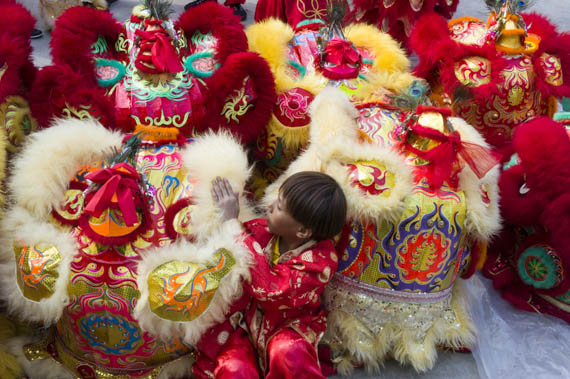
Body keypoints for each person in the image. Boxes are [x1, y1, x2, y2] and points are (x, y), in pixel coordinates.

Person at [194, 172, 347, 378]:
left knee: (288, 352)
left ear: (302, 231)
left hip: (289, 327)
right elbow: (231, 248)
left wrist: (232, 223)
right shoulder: (264, 230)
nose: (270, 205)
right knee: (234, 366)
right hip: (246, 324)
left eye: (280, 207)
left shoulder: (321, 262)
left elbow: (271, 290)